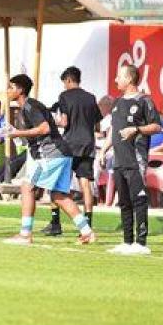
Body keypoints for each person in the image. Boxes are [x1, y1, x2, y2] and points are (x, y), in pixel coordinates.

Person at [1, 74, 96, 246]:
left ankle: (25, 235)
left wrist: (17, 133)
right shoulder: (27, 107)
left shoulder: (30, 106)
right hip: (61, 153)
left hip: (51, 153)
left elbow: (44, 128)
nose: (8, 91)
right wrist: (15, 132)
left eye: (11, 87)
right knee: (59, 195)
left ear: (20, 90)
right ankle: (87, 232)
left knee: (27, 187)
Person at [98, 64, 161, 255]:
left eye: (119, 76)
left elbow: (157, 126)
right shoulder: (117, 103)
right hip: (119, 160)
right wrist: (103, 150)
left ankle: (141, 243)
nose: (116, 80)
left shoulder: (144, 101)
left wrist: (137, 129)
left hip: (136, 160)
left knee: (138, 200)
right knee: (124, 201)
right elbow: (113, 131)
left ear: (129, 79)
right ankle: (127, 242)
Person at [42, 66, 102, 236]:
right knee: (85, 184)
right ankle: (88, 223)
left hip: (69, 145)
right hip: (88, 144)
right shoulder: (91, 98)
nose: (64, 86)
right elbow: (97, 125)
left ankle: (55, 223)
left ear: (68, 80)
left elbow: (65, 122)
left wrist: (55, 123)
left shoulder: (64, 96)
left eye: (64, 83)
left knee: (56, 184)